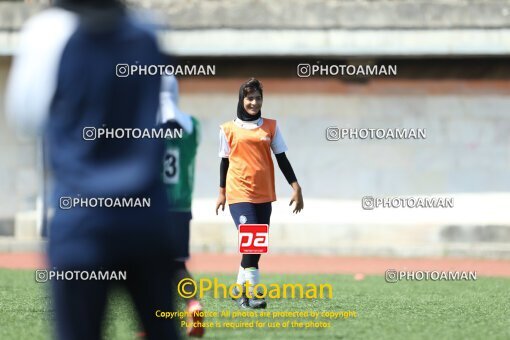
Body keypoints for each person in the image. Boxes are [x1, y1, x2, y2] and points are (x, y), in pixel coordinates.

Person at [6, 1, 179, 339]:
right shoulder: (149, 29)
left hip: (82, 220)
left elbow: (24, 118)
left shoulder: (47, 32)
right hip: (148, 219)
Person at [215, 78, 304, 309]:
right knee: (252, 245)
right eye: (249, 98)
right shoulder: (228, 129)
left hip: (264, 195)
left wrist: (296, 187)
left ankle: (238, 290)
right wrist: (222, 193)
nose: (254, 102)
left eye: (257, 98)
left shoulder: (271, 126)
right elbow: (224, 163)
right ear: (241, 100)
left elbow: (282, 158)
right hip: (239, 194)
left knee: (255, 246)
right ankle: (252, 294)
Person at [158, 75, 204, 337]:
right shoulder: (193, 126)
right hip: (181, 207)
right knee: (177, 264)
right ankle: (193, 303)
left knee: (147, 266)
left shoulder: (145, 126)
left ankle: (150, 319)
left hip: (152, 207)